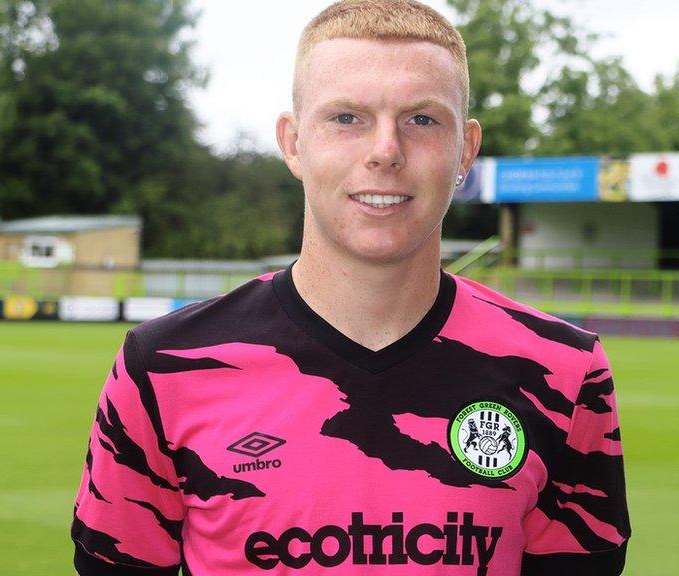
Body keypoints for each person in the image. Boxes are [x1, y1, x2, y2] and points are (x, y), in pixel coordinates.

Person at [70, 1, 630, 575]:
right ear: (293, 143)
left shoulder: (564, 372)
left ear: (465, 149)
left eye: (421, 120)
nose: (385, 151)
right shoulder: (164, 368)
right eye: (347, 118)